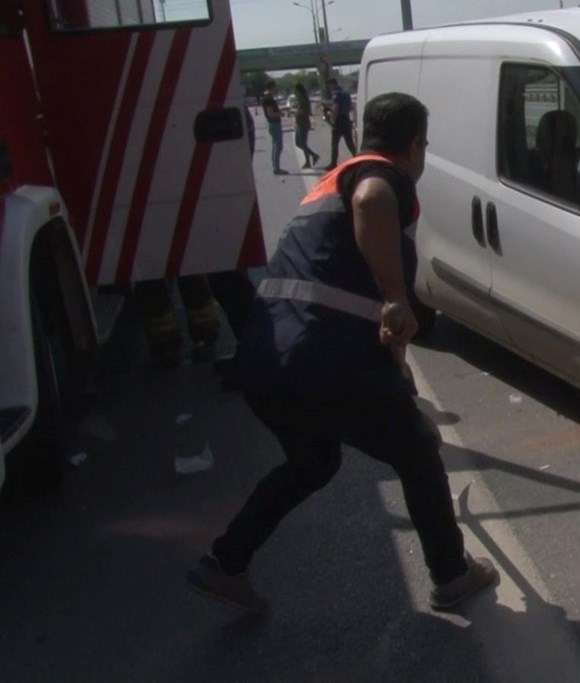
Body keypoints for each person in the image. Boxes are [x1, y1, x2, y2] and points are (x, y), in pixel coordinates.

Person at [186, 92, 498, 613]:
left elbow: (336, 289)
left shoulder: (333, 178)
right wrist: (399, 298)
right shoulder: (382, 175)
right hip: (321, 360)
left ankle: (226, 563)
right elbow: (372, 202)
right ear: (415, 144)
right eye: (423, 144)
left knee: (312, 462)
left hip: (265, 359)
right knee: (418, 451)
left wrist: (394, 365)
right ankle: (451, 574)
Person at [325, 77, 357, 169]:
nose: (329, 88)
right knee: (350, 143)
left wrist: (333, 120)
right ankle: (358, 158)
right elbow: (351, 106)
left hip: (339, 121)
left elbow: (336, 107)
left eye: (330, 86)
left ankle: (333, 163)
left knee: (334, 144)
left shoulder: (336, 94)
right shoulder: (346, 93)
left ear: (332, 84)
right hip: (346, 120)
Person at [292, 83, 320, 169]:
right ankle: (313, 155)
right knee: (298, 143)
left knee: (303, 143)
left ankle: (308, 162)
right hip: (300, 123)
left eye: (296, 91)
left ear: (299, 91)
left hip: (303, 123)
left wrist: (295, 111)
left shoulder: (304, 100)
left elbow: (303, 112)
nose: (295, 93)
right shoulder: (300, 100)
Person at [263, 80, 287, 175]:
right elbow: (270, 113)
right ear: (271, 87)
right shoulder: (269, 99)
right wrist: (280, 113)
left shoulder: (267, 98)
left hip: (272, 124)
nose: (276, 88)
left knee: (275, 146)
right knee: (278, 146)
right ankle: (276, 168)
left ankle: (275, 167)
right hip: (274, 124)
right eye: (275, 87)